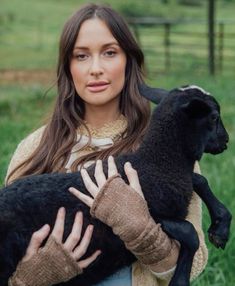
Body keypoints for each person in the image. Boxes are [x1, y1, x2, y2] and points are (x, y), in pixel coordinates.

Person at [5, 3, 208, 286]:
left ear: (129, 59)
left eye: (110, 53)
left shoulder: (170, 148)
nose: (96, 69)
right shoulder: (34, 149)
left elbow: (192, 265)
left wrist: (142, 231)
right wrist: (28, 279)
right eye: (81, 56)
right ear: (68, 66)